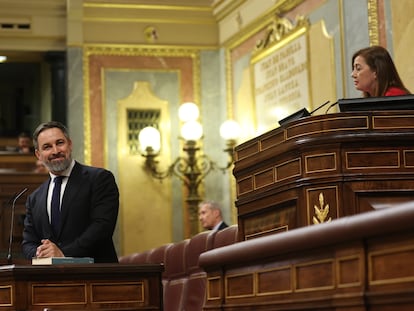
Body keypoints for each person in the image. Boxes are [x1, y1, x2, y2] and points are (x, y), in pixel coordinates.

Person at [22, 121, 119, 263]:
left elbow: (102, 227)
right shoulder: (35, 198)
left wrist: (63, 253)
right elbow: (28, 242)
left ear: (70, 144)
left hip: (97, 276)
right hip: (50, 281)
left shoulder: (100, 179)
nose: (55, 151)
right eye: (47, 147)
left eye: (60, 143)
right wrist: (41, 253)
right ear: (38, 154)